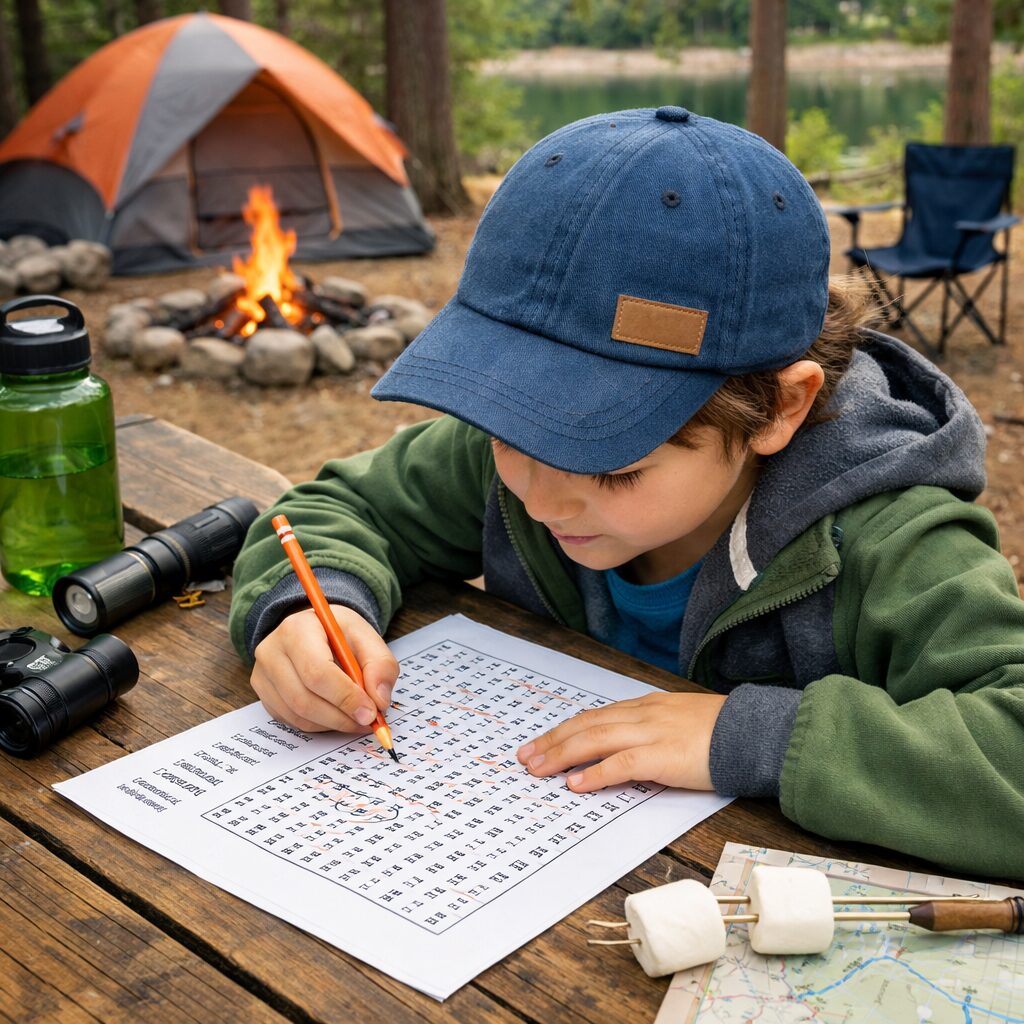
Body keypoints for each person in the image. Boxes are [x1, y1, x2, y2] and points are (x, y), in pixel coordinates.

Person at [228, 107, 1024, 877]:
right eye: (511, 436)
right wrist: (311, 607)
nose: (542, 499)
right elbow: (331, 512)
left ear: (782, 407)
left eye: (614, 468)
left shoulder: (892, 536)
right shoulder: (535, 448)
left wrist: (753, 739)